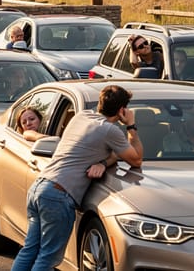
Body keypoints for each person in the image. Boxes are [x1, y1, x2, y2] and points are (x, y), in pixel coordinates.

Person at [12, 85, 143, 271]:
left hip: (39, 188)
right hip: (57, 196)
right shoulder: (109, 131)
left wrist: (103, 163)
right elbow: (136, 159)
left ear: (100, 102)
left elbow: (94, 149)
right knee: (47, 258)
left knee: (29, 250)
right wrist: (131, 126)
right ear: (122, 110)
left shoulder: (81, 116)